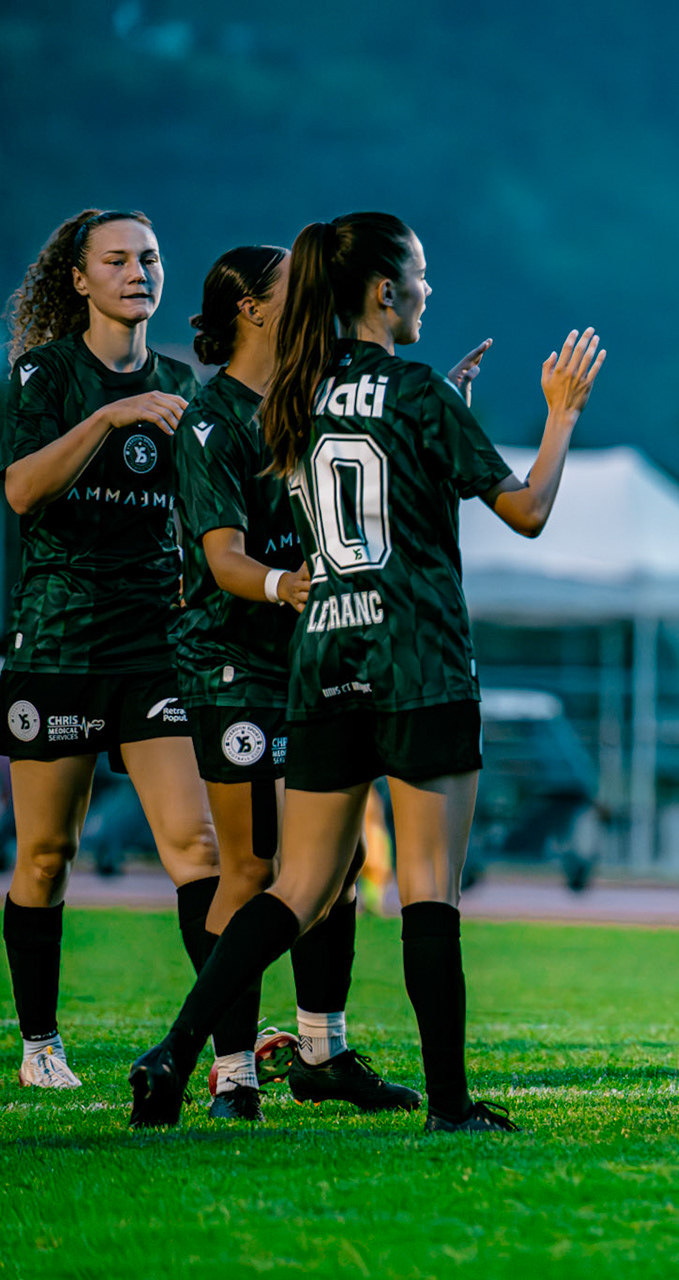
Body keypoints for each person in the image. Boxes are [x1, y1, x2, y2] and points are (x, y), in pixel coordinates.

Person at [127, 210, 605, 1133]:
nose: (428, 291)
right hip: (417, 652)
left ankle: (177, 1050)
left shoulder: (291, 398)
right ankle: (452, 1108)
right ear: (384, 290)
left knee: (294, 885)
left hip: (322, 657)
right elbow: (530, 510)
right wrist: (561, 414)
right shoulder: (420, 393)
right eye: (419, 275)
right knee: (429, 882)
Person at [172, 244, 424, 1120]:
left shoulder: (312, 408)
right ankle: (229, 1072)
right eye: (293, 290)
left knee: (338, 860)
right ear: (250, 309)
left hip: (314, 659)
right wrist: (286, 583)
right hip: (233, 665)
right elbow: (224, 558)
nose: (313, 301)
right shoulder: (212, 424)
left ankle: (322, 1051)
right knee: (248, 869)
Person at [0, 210, 217, 1090]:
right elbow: (19, 490)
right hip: (56, 644)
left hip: (154, 648)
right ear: (80, 280)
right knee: (47, 854)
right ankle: (40, 1044)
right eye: (117, 259)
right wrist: (112, 416)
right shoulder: (41, 375)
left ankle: (220, 1052)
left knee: (197, 847)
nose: (138, 271)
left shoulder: (185, 385)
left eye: (151, 258)